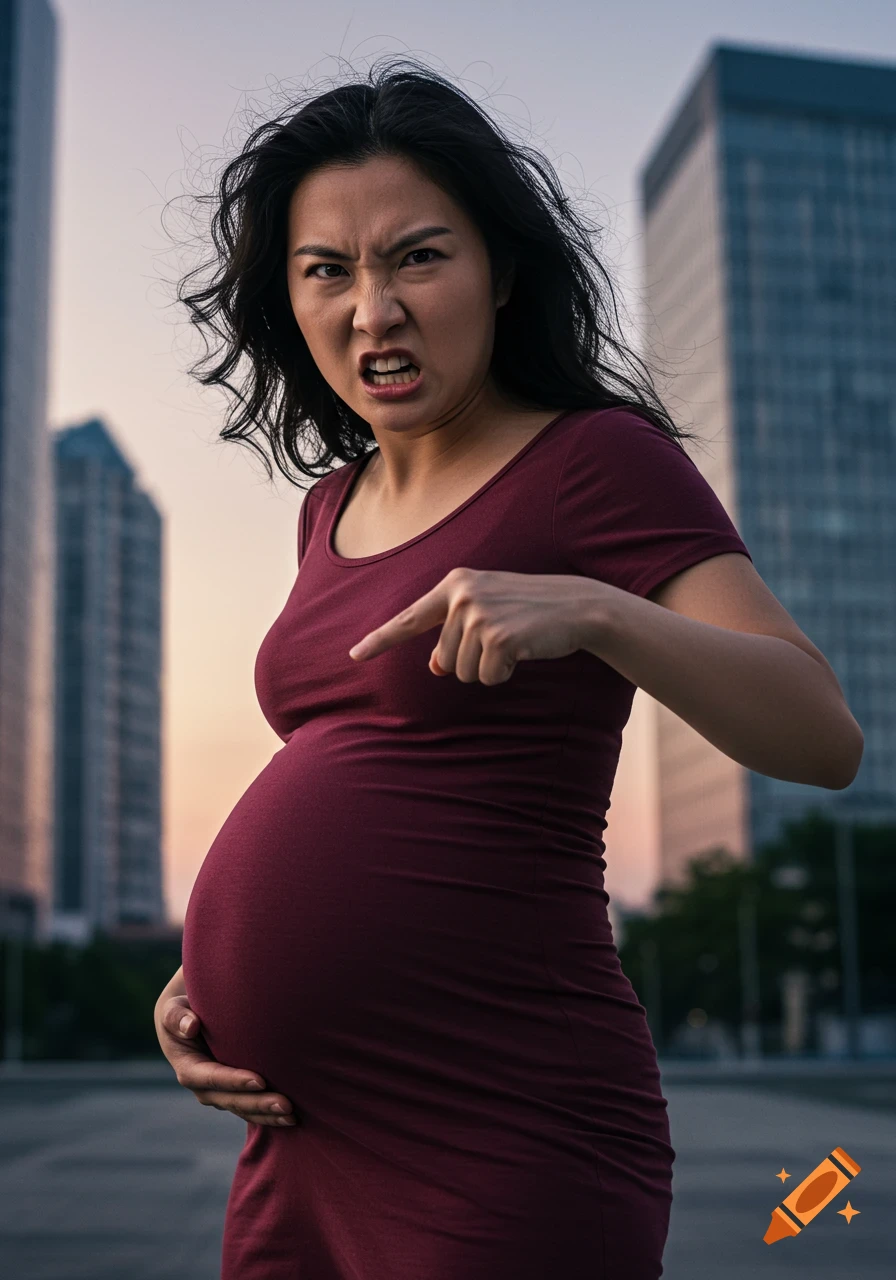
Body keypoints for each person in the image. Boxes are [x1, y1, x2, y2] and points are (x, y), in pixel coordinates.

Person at [154, 59, 863, 1280]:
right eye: (327, 270)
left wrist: (593, 609)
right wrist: (207, 975)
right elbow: (364, 772)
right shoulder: (327, 507)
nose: (373, 309)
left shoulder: (596, 459)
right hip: (299, 1141)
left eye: (417, 258)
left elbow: (821, 733)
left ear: (499, 272)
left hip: (501, 1125)